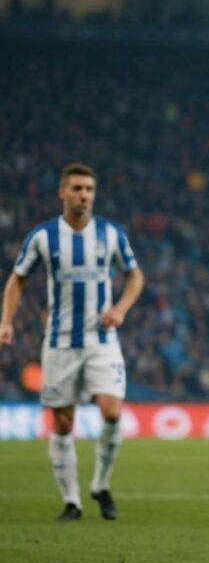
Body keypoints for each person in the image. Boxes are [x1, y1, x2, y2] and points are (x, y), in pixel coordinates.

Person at [0, 163, 144, 521]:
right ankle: (72, 502)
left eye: (89, 189)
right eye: (77, 188)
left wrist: (121, 308)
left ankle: (100, 484)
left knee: (111, 410)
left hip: (102, 339)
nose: (84, 195)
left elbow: (135, 276)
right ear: (62, 192)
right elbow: (17, 280)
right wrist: (6, 321)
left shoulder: (110, 234)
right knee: (63, 423)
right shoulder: (43, 237)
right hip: (60, 342)